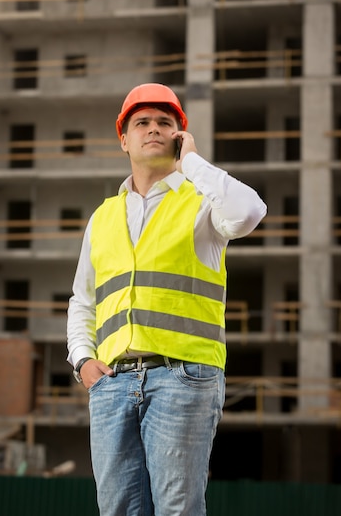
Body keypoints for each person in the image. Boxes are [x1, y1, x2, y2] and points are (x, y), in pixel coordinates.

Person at [67, 83, 267, 516]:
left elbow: (250, 212)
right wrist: (83, 361)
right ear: (124, 138)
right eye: (142, 122)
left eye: (165, 123)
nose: (153, 129)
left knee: (177, 509)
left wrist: (192, 162)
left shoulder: (202, 204)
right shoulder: (102, 217)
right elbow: (82, 300)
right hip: (112, 384)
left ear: (180, 135)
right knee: (116, 509)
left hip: (183, 379)